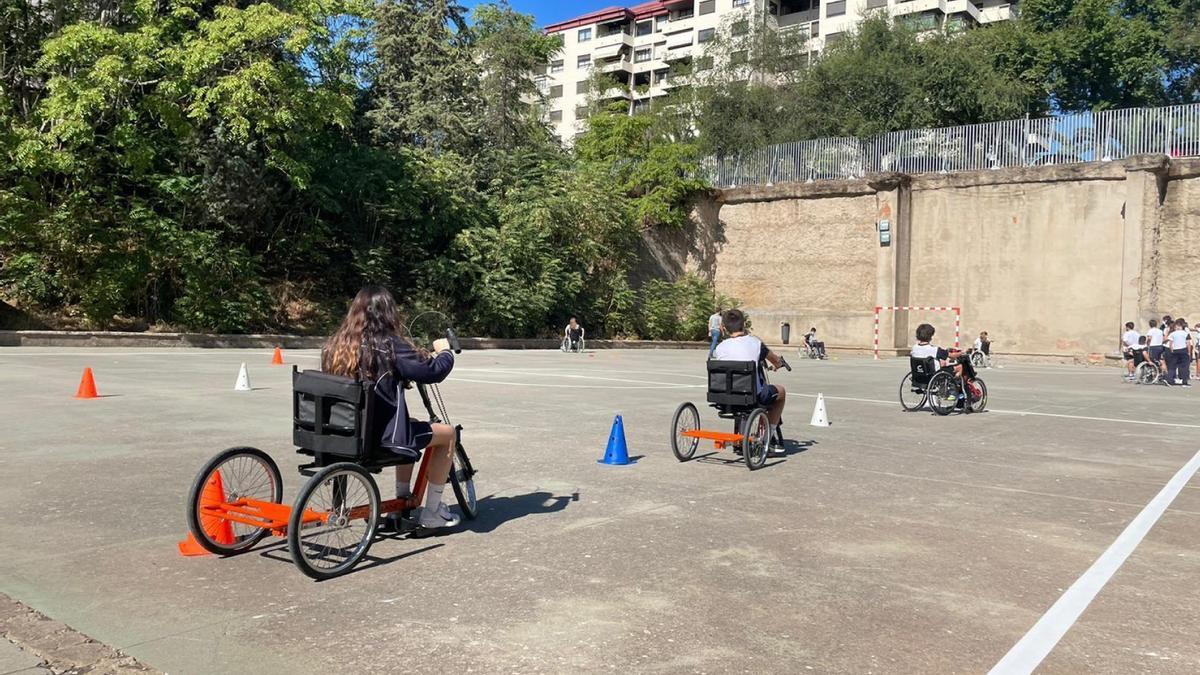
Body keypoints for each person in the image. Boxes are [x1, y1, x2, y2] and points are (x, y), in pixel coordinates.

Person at [321, 285, 461, 530]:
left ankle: (402, 502)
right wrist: (445, 353)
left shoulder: (335, 345)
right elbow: (431, 372)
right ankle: (432, 513)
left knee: (410, 425)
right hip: (377, 440)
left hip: (338, 433)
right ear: (387, 313)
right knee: (448, 434)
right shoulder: (389, 345)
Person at [713, 309, 787, 451]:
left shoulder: (720, 347)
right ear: (744, 324)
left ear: (724, 328)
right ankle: (768, 436)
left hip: (724, 397)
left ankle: (744, 436)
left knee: (743, 388)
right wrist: (778, 364)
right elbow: (775, 360)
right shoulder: (756, 343)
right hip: (750, 396)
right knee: (781, 392)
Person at [912, 323, 978, 410]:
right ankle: (953, 390)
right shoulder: (933, 349)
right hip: (934, 376)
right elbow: (952, 356)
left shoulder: (914, 348)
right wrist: (962, 352)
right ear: (930, 336)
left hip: (919, 376)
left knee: (943, 364)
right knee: (960, 367)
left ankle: (950, 386)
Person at [1165, 318, 1192, 387]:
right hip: (1183, 350)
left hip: (1175, 350)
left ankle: (1170, 380)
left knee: (1172, 366)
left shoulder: (1172, 334)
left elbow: (1171, 343)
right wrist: (1189, 352)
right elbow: (1188, 343)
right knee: (1184, 367)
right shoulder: (1185, 333)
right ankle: (1184, 382)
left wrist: (1172, 350)